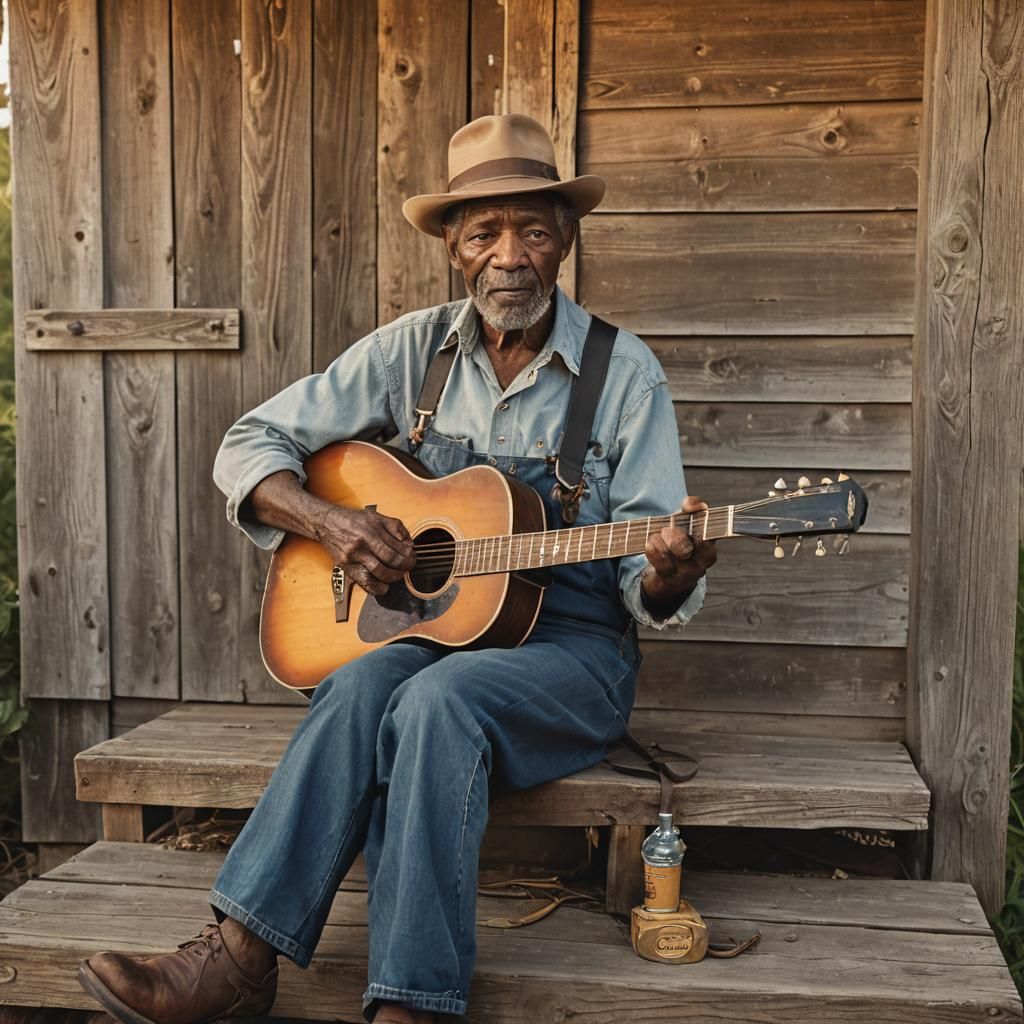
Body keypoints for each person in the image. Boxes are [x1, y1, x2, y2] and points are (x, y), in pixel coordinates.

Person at [78, 114, 716, 1024]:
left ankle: (413, 1003)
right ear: (453, 245)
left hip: (573, 653)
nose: (510, 257)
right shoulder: (410, 351)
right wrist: (330, 522)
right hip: (439, 633)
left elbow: (647, 589)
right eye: (485, 232)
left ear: (566, 239)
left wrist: (671, 570)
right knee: (359, 684)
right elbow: (246, 444)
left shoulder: (624, 375)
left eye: (534, 232)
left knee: (435, 702)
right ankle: (240, 957)